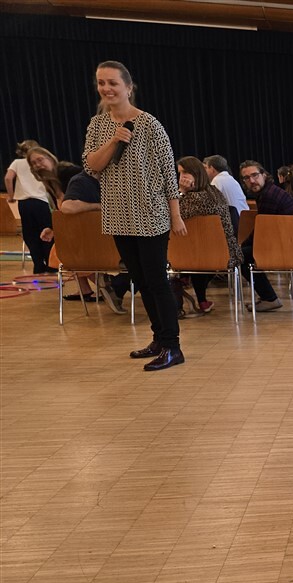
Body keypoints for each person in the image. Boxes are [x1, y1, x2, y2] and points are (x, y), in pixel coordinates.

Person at [83, 60, 187, 372]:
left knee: (156, 281)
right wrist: (114, 139)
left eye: (113, 82)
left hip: (150, 214)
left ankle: (172, 346)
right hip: (118, 215)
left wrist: (176, 215)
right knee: (140, 281)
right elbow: (91, 166)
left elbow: (169, 173)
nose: (106, 88)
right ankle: (158, 339)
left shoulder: (150, 124)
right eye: (101, 83)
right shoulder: (97, 125)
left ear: (128, 87)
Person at [56, 170, 131, 314]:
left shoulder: (117, 179)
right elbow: (67, 207)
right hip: (102, 250)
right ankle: (115, 286)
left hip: (98, 248)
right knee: (146, 256)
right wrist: (98, 206)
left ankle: (114, 286)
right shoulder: (82, 181)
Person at [176, 156, 242, 314]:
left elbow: (171, 216)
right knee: (198, 247)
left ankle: (178, 289)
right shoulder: (214, 192)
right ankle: (202, 300)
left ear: (196, 173)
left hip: (203, 255)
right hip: (222, 253)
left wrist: (181, 191)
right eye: (179, 173)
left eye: (185, 172)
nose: (181, 177)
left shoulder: (193, 198)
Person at [239, 160, 293, 312]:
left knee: (240, 255)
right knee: (242, 252)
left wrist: (241, 246)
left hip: (288, 248)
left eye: (255, 175)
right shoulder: (269, 191)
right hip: (286, 243)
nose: (252, 181)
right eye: (246, 178)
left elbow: (262, 231)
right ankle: (269, 297)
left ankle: (270, 298)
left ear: (264, 175)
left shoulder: (269, 196)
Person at [6, 139, 55, 274]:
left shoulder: (17, 163)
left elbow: (8, 178)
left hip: (24, 204)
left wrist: (11, 196)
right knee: (47, 233)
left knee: (30, 234)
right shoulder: (40, 163)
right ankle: (51, 264)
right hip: (41, 202)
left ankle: (38, 265)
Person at [203, 155, 248, 236]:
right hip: (245, 223)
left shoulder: (217, 181)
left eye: (206, 168)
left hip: (234, 227)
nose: (204, 172)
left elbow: (210, 205)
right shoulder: (231, 179)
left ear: (212, 169)